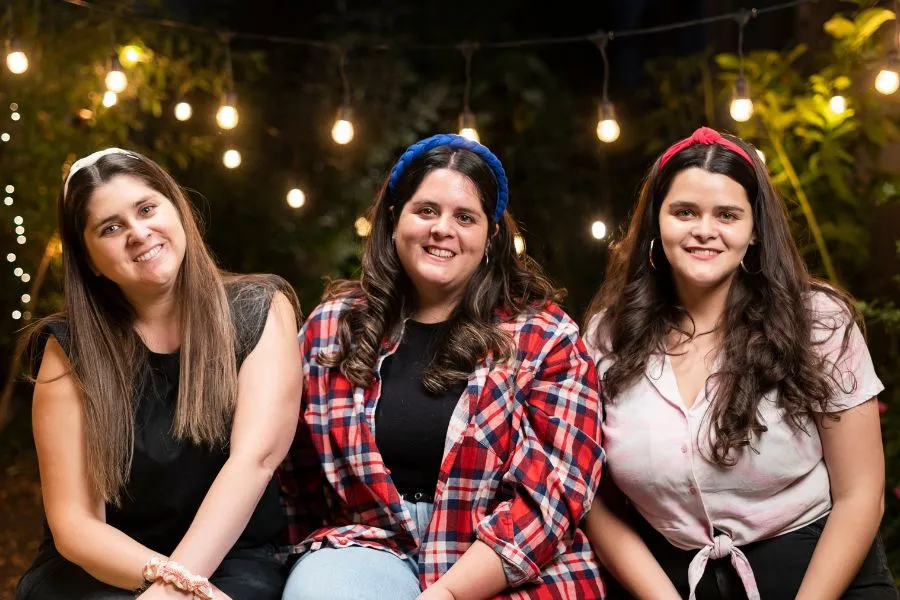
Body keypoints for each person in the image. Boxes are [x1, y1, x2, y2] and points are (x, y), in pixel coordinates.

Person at [277, 134, 605, 599]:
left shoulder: (548, 338)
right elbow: (289, 470)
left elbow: (554, 495)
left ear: (491, 237)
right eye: (426, 210)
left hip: (507, 562)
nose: (442, 229)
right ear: (394, 218)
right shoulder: (334, 327)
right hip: (374, 547)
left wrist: (447, 594)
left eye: (464, 217)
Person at [582, 126, 896, 600]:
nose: (704, 230)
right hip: (669, 582)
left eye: (727, 215)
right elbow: (593, 498)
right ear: (656, 224)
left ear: (753, 232)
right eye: (684, 211)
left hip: (825, 578)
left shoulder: (818, 323)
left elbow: (861, 494)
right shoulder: (606, 338)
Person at [15, 148, 303, 600]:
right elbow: (74, 524)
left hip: (231, 557)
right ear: (89, 258)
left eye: (147, 209)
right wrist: (165, 581)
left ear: (177, 209)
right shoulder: (67, 348)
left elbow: (255, 461)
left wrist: (177, 589)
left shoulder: (258, 309)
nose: (138, 233)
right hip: (103, 564)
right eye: (110, 227)